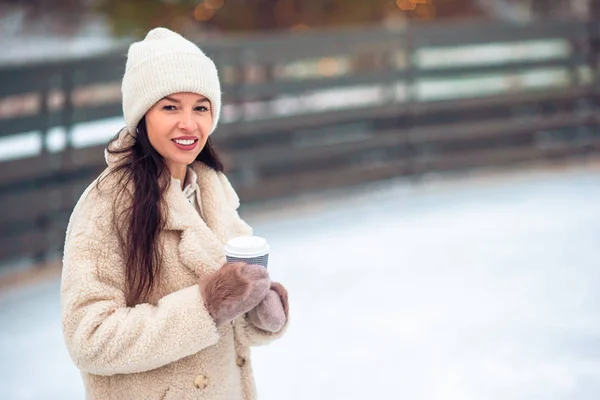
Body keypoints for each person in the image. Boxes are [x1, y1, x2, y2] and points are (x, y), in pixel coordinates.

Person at [60, 27, 289, 400]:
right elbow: (89, 338)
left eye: (200, 107)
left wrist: (260, 308)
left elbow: (230, 313)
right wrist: (204, 306)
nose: (189, 123)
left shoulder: (212, 190)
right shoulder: (108, 203)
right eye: (170, 107)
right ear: (141, 115)